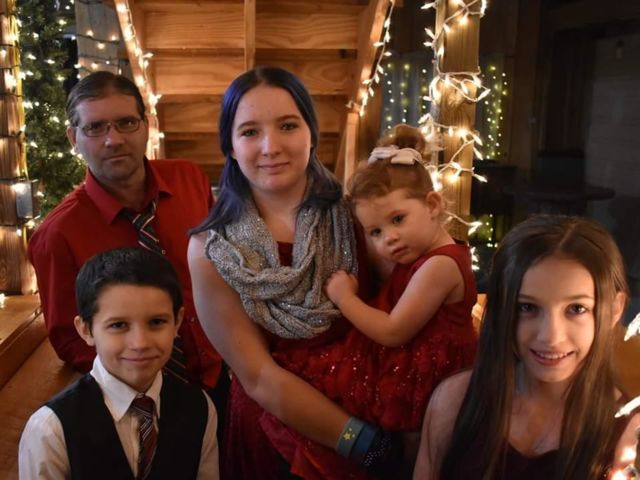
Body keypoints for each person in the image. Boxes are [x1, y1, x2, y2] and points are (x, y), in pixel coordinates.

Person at [188, 66, 401, 480]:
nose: (271, 146)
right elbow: (258, 377)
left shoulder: (359, 217)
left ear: (311, 133)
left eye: (287, 125)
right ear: (230, 146)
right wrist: (365, 444)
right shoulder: (210, 251)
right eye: (250, 132)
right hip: (276, 440)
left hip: (376, 410)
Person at [27, 71, 227, 422]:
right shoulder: (57, 235)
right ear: (73, 137)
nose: (113, 139)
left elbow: (223, 267)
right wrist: (144, 387)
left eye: (126, 123)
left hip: (223, 378)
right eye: (95, 127)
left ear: (145, 126)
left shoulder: (190, 180)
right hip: (141, 405)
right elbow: (70, 339)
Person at [413, 215, 640, 479]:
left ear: (613, 310)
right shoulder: (455, 400)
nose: (551, 336)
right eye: (527, 307)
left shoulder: (628, 436)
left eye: (576, 309)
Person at [313, 124, 478, 432]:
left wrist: (345, 298)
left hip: (432, 383)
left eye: (398, 219)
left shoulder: (440, 265)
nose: (388, 238)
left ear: (433, 205)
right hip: (409, 369)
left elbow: (393, 332)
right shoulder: (419, 255)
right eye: (375, 231)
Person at [19, 248, 219, 479]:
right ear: (86, 330)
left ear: (177, 322)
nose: (140, 343)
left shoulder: (200, 409)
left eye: (156, 322)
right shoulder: (51, 429)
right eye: (118, 325)